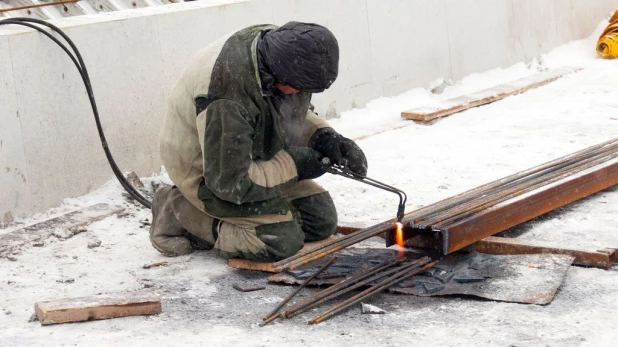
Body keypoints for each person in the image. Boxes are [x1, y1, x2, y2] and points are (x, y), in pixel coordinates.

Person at [150, 22, 367, 262]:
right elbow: (230, 181)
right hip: (210, 171)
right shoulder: (227, 95)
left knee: (320, 219)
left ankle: (264, 213)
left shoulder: (285, 51)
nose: (299, 93)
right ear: (278, 72)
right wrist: (295, 165)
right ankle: (179, 208)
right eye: (297, 88)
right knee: (278, 241)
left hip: (250, 150)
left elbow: (293, 112)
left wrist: (323, 136)